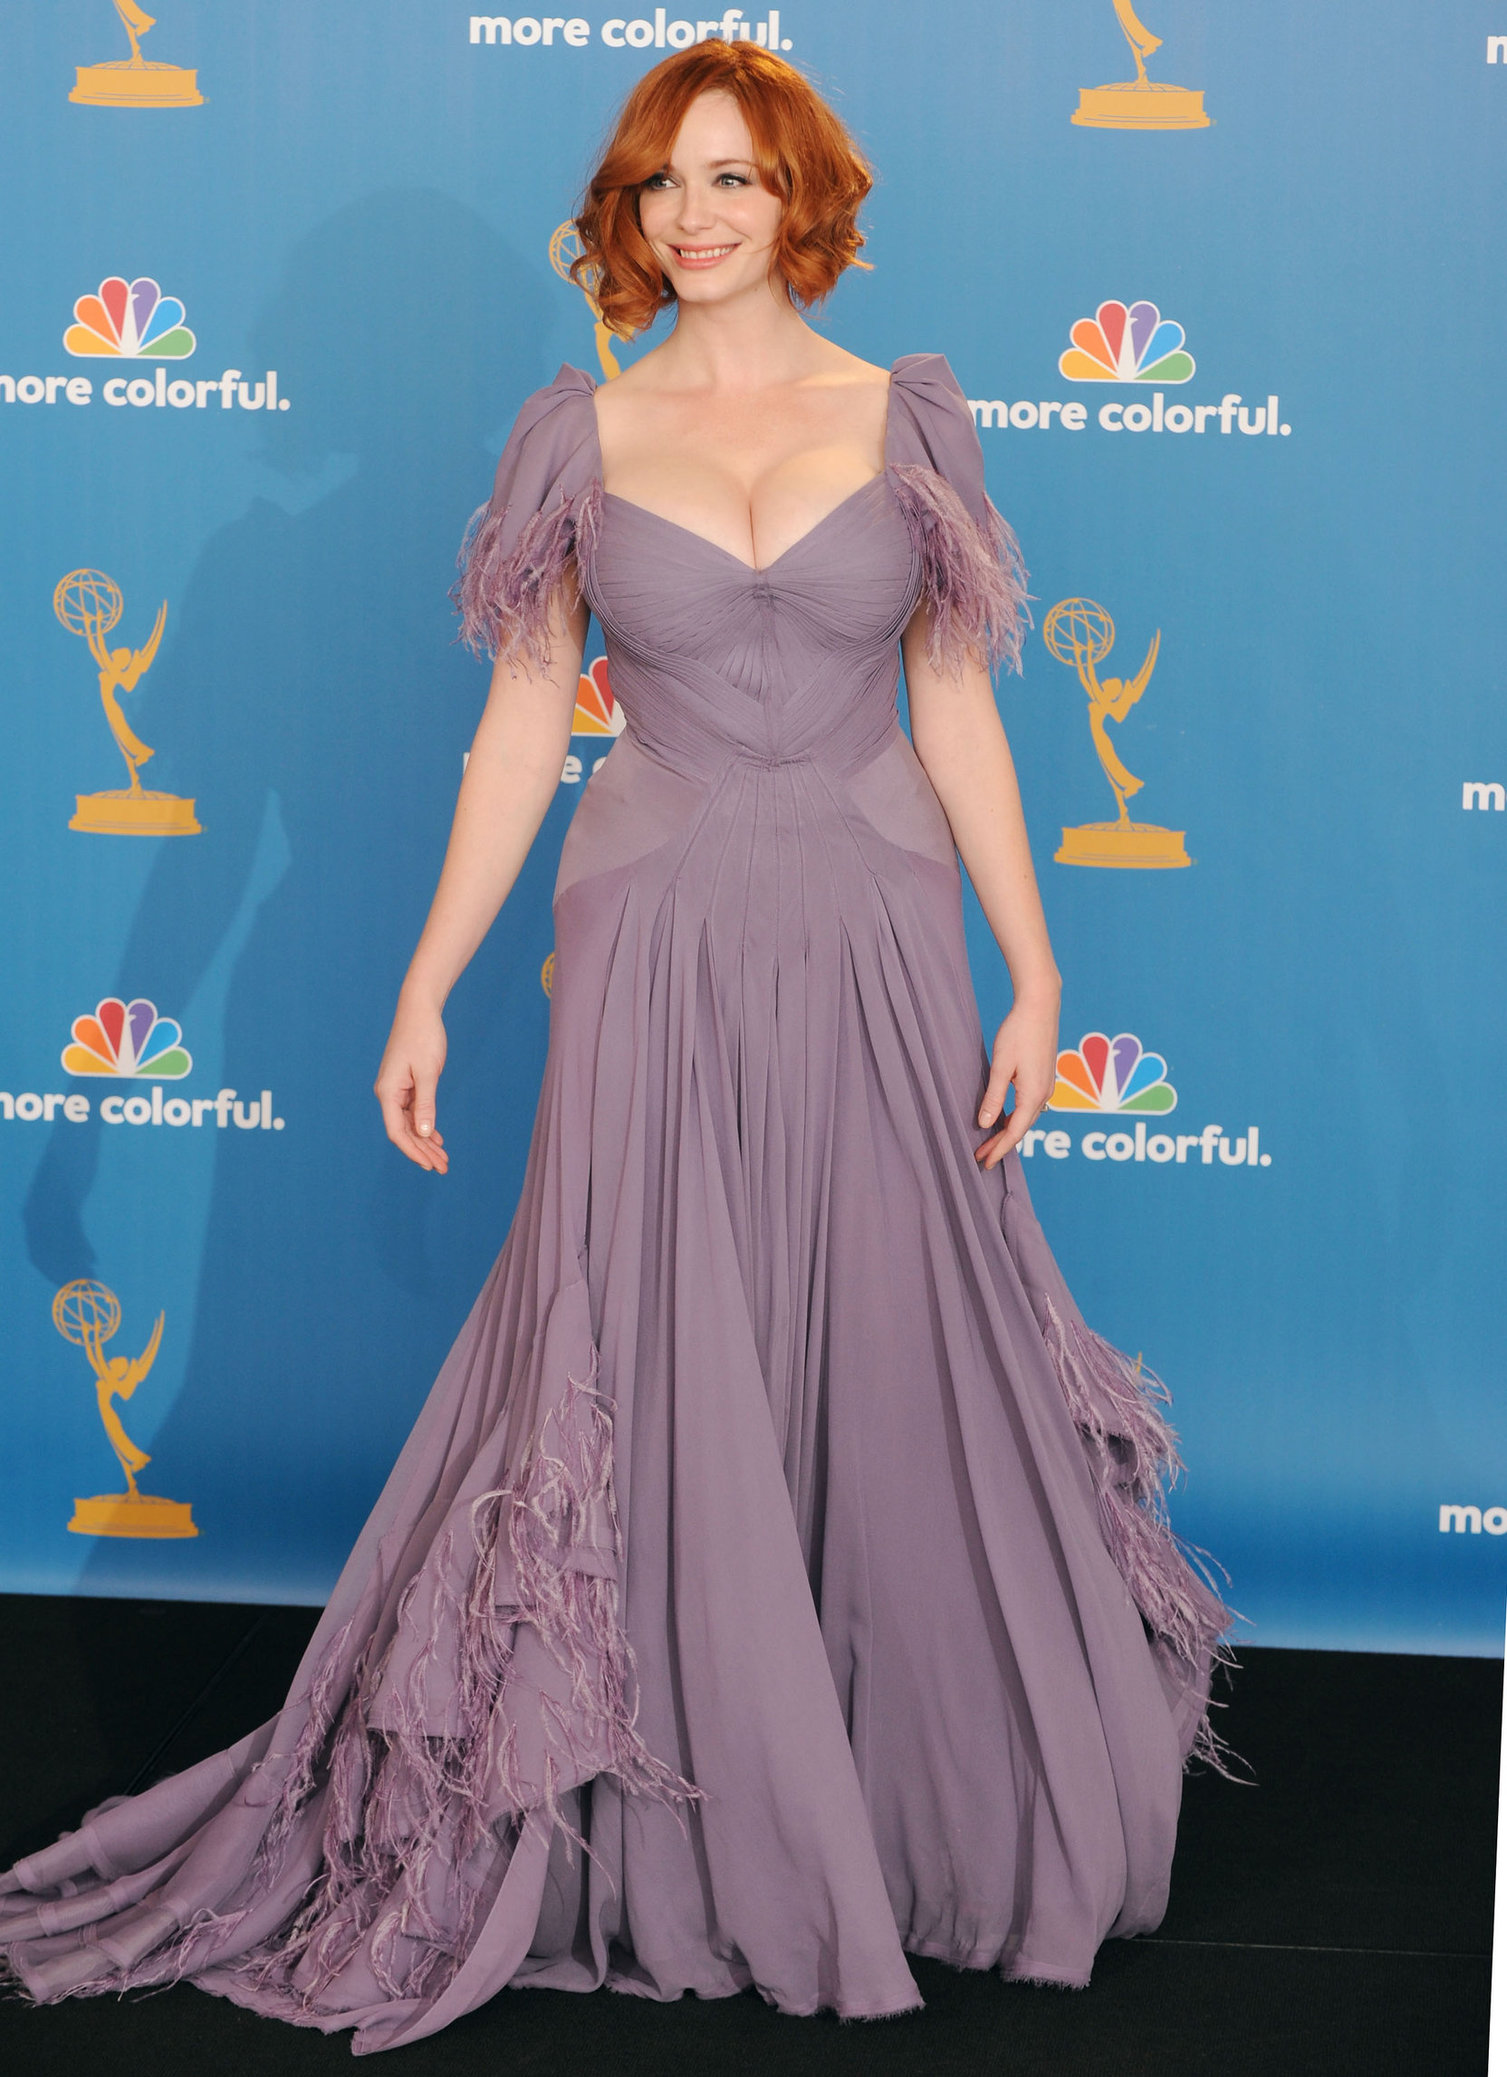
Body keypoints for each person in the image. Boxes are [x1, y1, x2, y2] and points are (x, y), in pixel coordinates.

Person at [0, 42, 1229, 2054]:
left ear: (801, 195)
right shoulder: (574, 430)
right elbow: (516, 728)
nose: (695, 216)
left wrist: (1034, 965)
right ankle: (677, 1831)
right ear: (628, 213)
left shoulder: (907, 414)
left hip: (875, 935)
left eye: (733, 179)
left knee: (890, 1350)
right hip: (647, 939)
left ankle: (900, 1813)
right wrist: (421, 982)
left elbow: (959, 701)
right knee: (648, 1363)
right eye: (663, 183)